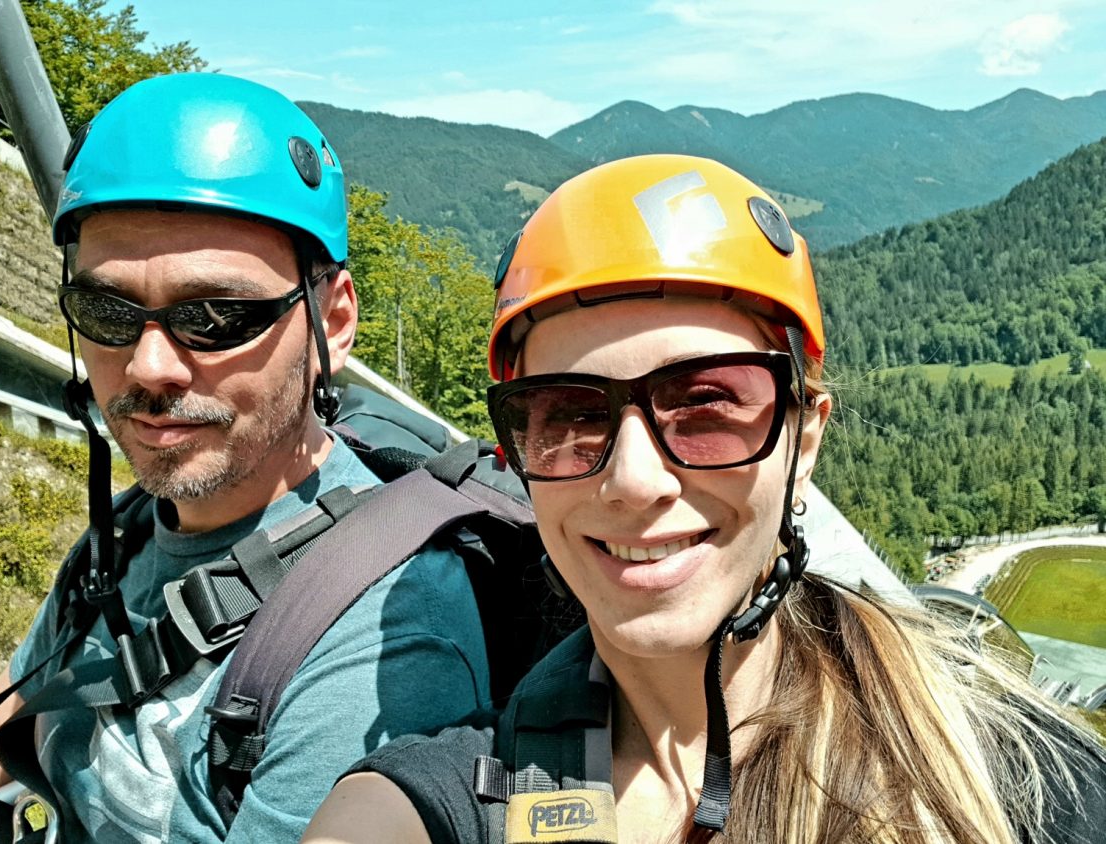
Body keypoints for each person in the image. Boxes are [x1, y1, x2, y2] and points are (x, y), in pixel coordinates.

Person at [302, 155, 1106, 844]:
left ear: (804, 437)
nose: (632, 481)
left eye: (706, 405)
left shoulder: (1016, 777)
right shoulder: (445, 801)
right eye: (570, 415)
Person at [0, 73, 490, 842]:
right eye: (107, 311)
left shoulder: (385, 636)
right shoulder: (127, 536)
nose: (149, 367)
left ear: (334, 322)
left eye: (216, 315)